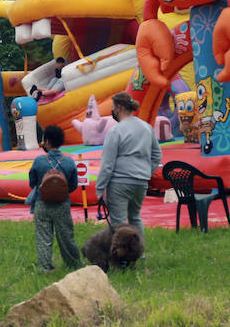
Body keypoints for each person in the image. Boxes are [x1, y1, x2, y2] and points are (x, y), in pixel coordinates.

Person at [94, 91, 161, 239]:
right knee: (135, 218)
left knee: (118, 223)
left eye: (113, 107)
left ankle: (123, 258)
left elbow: (108, 164)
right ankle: (139, 253)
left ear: (118, 108)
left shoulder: (116, 131)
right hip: (141, 183)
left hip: (120, 183)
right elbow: (157, 154)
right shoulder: (146, 127)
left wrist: (100, 188)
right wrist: (146, 173)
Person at [27, 125, 82, 273]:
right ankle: (74, 263)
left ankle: (44, 266)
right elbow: (73, 185)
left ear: (48, 141)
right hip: (62, 204)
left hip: (41, 203)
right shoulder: (69, 161)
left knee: (43, 236)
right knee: (66, 236)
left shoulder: (39, 161)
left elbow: (32, 182)